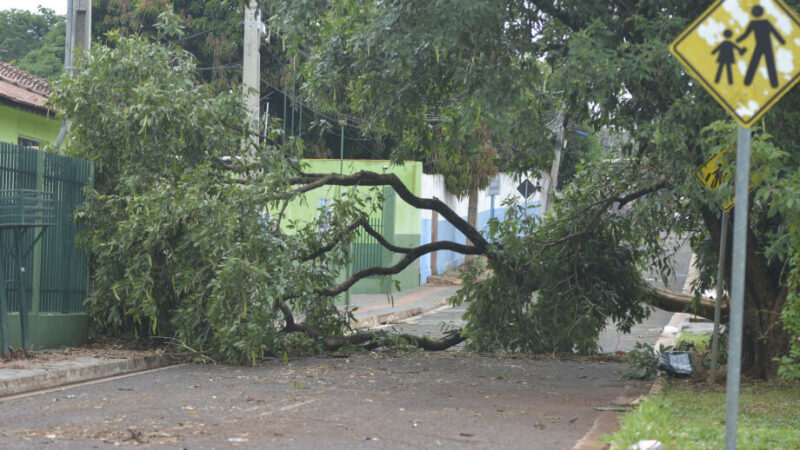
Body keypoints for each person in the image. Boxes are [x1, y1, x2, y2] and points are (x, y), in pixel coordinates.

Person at [737, 5, 786, 87]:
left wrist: (738, 40)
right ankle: (774, 83)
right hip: (766, 45)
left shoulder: (753, 23)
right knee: (769, 63)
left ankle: (747, 81)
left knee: (755, 62)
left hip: (760, 45)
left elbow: (746, 34)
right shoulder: (765, 22)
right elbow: (774, 32)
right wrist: (782, 41)